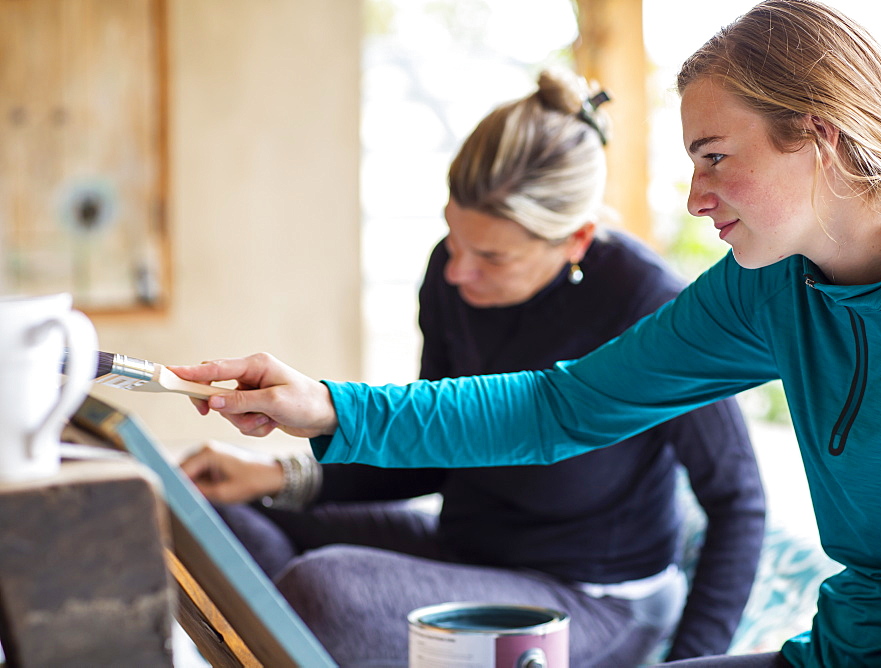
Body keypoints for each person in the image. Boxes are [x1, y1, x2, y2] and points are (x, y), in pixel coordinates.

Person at [172, 0, 881, 664]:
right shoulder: (768, 292)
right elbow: (556, 408)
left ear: (818, 135)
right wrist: (325, 407)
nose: (694, 196)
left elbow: (736, 500)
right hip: (844, 648)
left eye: (713, 156)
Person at [179, 67, 766, 667]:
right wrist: (275, 475)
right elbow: (433, 442)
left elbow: (738, 502)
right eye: (454, 240)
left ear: (576, 240)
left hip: (591, 599)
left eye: (490, 256)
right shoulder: (449, 277)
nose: (458, 271)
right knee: (207, 518)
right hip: (466, 551)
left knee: (325, 591)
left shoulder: (653, 309)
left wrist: (691, 664)